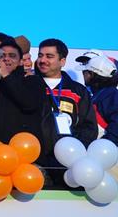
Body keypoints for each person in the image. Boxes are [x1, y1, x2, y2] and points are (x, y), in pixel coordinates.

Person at [35, 38, 97, 182]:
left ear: (62, 61)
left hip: (69, 164)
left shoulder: (78, 91)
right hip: (36, 161)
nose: (43, 60)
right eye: (40, 55)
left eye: (49, 56)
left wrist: (75, 153)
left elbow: (89, 127)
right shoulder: (29, 86)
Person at [0, 38, 45, 144]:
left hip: (23, 147)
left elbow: (29, 103)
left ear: (20, 62)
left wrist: (6, 76)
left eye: (12, 56)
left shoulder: (32, 80)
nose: (6, 59)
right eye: (2, 56)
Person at [75, 49, 118, 144]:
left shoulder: (111, 94)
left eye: (85, 71)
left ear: (92, 74)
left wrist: (104, 144)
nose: (83, 74)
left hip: (105, 154)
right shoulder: (95, 94)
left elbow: (117, 124)